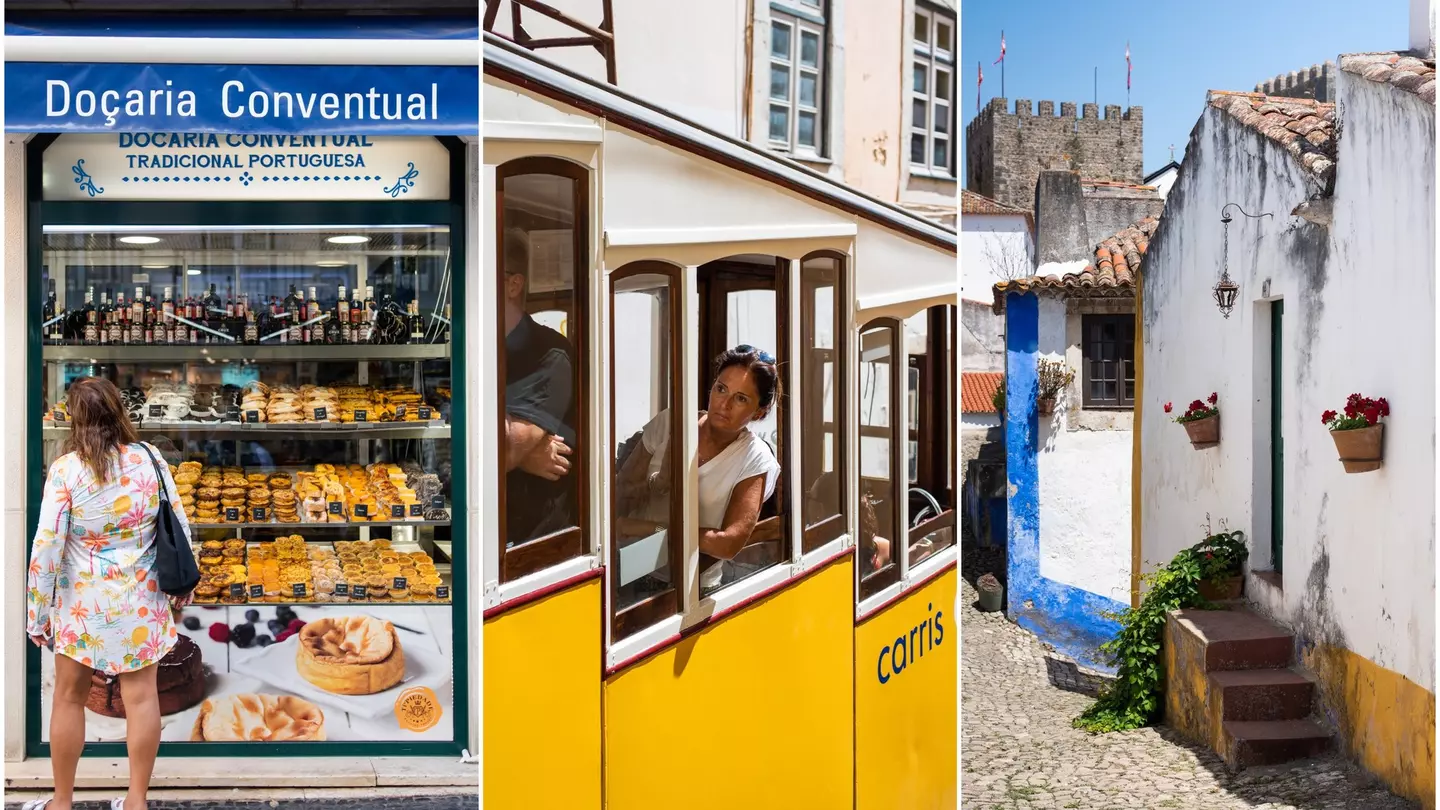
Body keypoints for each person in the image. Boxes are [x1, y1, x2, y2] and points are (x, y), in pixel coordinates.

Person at [25, 377, 193, 810]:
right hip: (142, 598)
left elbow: (47, 547)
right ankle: (135, 800)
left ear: (76, 419)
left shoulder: (68, 469)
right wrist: (183, 586)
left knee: (68, 697)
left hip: (83, 607)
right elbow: (177, 523)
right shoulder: (149, 459)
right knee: (142, 699)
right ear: (119, 411)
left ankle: (61, 802)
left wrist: (36, 613)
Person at [616, 346, 782, 591]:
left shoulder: (755, 458)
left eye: (741, 398)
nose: (724, 404)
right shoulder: (670, 422)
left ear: (759, 412)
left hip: (691, 585)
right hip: (628, 565)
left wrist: (652, 530)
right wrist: (657, 484)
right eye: (721, 388)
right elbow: (619, 497)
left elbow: (728, 544)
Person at [503, 227, 579, 547]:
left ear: (513, 284)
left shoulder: (550, 355)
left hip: (531, 543)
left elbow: (504, 449)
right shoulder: (474, 348)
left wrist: (515, 455)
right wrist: (527, 456)